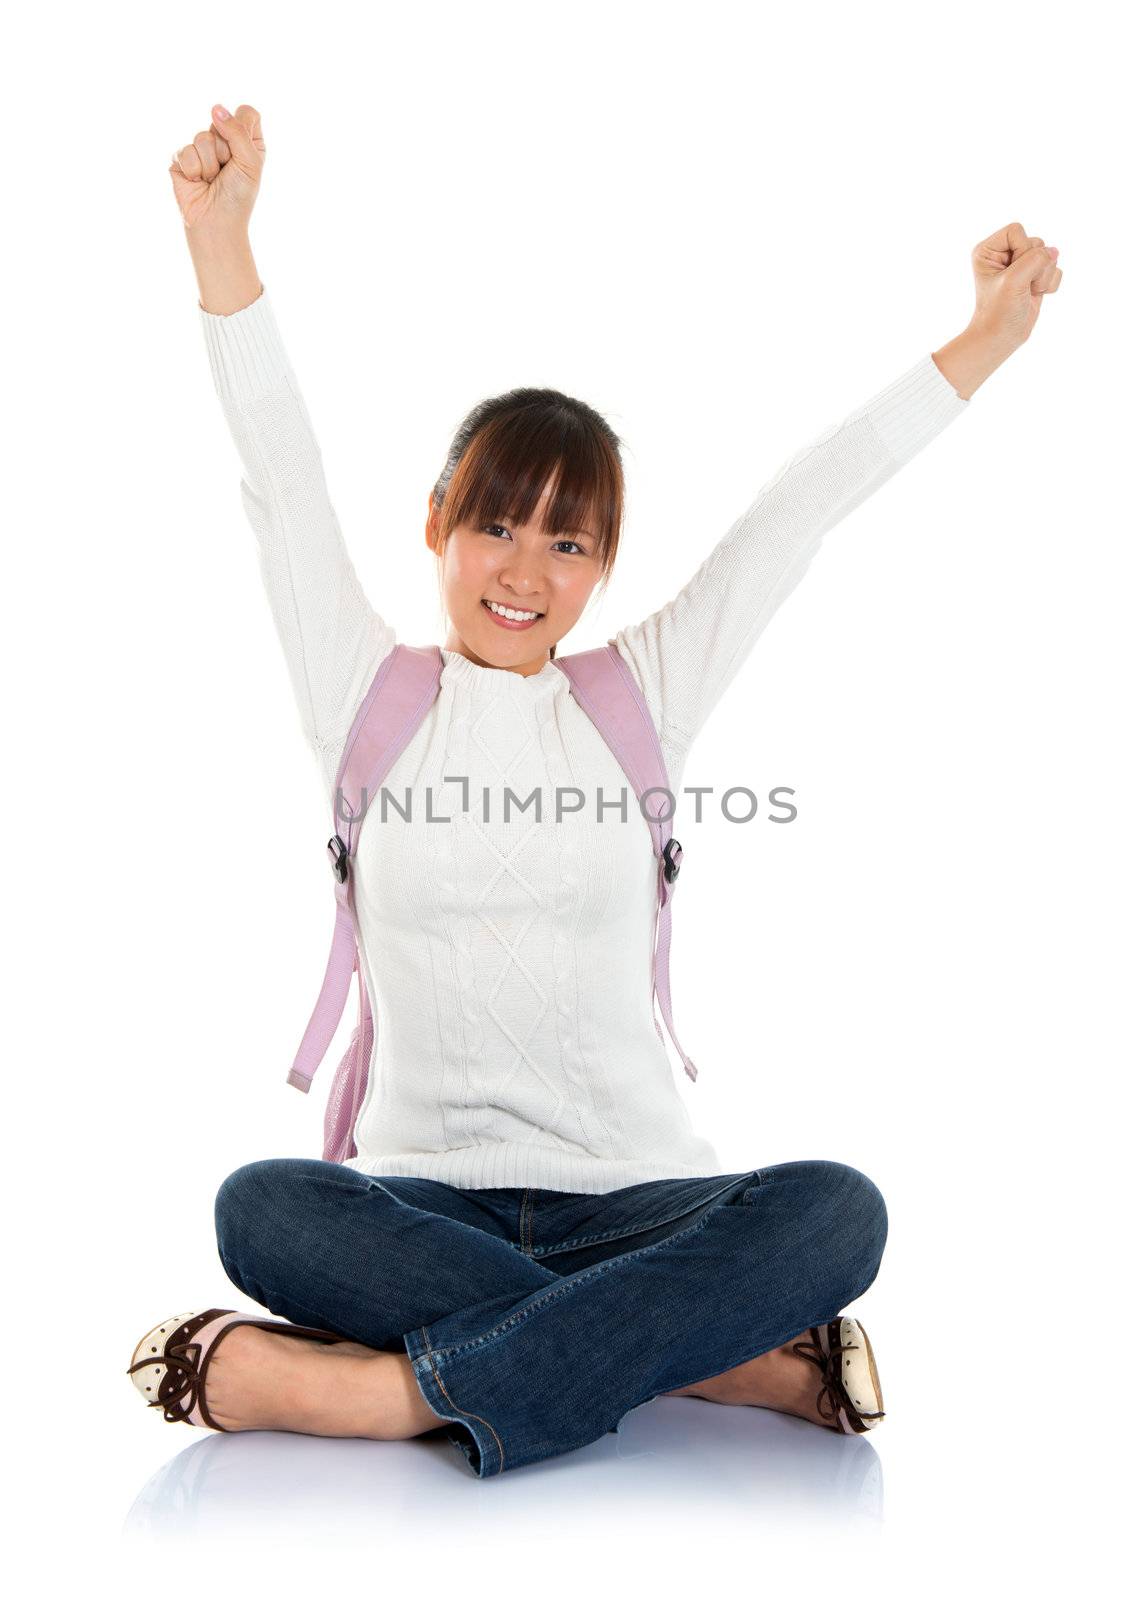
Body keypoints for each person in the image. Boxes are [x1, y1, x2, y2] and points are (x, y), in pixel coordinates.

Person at [127, 102, 1061, 1479]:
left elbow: (790, 515)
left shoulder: (636, 700)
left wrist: (977, 345)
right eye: (497, 524)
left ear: (602, 566)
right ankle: (720, 1357)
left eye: (568, 541)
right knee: (264, 1210)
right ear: (437, 522)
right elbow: (282, 469)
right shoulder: (367, 697)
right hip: (412, 1195)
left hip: (637, 1199)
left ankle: (387, 1396)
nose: (524, 570)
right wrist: (221, 241)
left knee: (835, 1216)